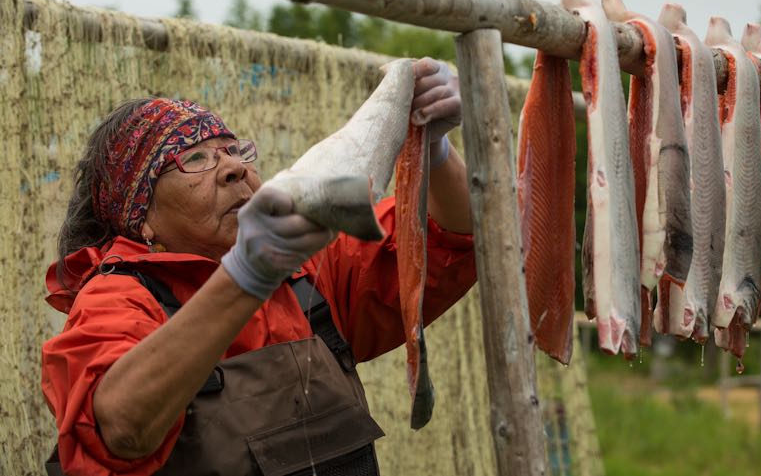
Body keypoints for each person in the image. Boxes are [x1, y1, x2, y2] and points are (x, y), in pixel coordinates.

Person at [41, 58, 476, 476]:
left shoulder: (307, 271)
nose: (233, 168)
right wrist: (248, 274)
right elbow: (118, 429)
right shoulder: (117, 299)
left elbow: (453, 236)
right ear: (142, 218)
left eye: (234, 151)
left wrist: (432, 148)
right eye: (192, 159)